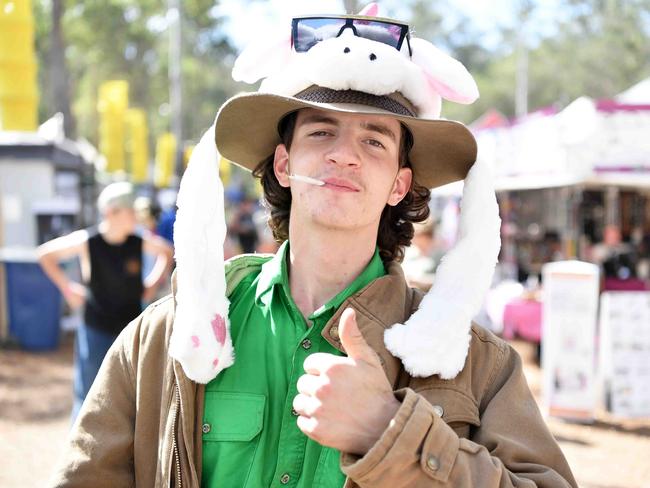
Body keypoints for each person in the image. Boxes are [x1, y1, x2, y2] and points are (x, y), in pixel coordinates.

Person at [50, 6, 577, 487]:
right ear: (284, 165)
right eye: (322, 133)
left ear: (399, 184)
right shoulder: (163, 339)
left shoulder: (478, 365)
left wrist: (391, 434)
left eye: (374, 140)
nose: (345, 155)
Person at [38, 181, 173, 419]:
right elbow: (45, 255)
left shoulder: (138, 240)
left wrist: (151, 285)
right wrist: (68, 288)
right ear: (111, 212)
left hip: (131, 329)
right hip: (96, 328)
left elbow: (167, 252)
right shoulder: (87, 241)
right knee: (87, 394)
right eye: (130, 211)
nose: (135, 216)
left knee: (133, 394)